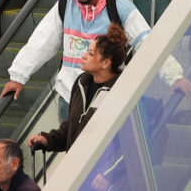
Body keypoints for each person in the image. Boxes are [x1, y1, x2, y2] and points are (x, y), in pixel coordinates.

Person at [1, 0, 191, 123]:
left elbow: (148, 43)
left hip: (106, 100)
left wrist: (174, 76)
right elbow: (40, 42)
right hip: (70, 99)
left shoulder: (120, 8)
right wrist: (18, 77)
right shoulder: (65, 5)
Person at [28, 23, 127, 152]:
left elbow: (121, 144)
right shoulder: (82, 82)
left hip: (100, 170)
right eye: (87, 51)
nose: (84, 56)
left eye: (90, 53)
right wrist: (48, 140)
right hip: (76, 166)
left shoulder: (119, 92)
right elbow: (72, 126)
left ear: (106, 63)